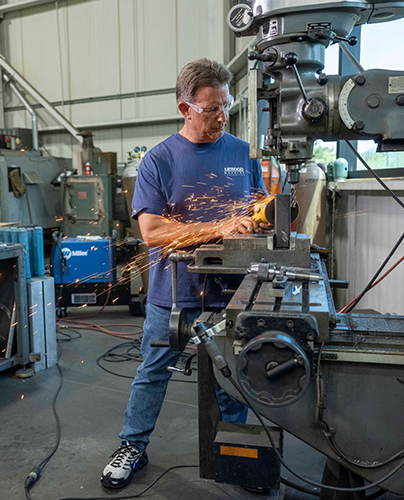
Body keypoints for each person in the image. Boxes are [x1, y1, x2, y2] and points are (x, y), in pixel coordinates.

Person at [101, 58, 268, 489]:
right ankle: (132, 445)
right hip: (173, 293)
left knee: (233, 377)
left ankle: (232, 450)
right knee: (153, 371)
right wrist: (221, 227)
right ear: (185, 109)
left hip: (232, 293)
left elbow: (257, 205)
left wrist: (265, 216)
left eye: (226, 105)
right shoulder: (158, 160)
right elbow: (153, 232)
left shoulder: (240, 152)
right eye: (212, 108)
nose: (222, 116)